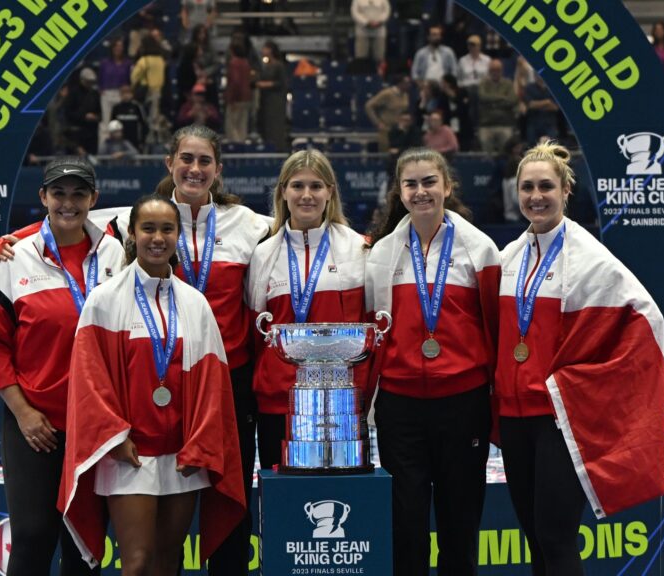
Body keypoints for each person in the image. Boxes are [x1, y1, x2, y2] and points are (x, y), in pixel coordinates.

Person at [0, 125, 271, 576]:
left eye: (204, 161)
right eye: (186, 159)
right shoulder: (122, 223)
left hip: (212, 401)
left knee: (189, 547)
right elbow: (68, 218)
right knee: (110, 552)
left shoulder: (253, 226)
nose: (194, 169)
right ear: (170, 164)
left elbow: (307, 220)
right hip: (132, 421)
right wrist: (15, 242)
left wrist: (363, 243)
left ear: (218, 169)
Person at [495, 142, 664, 575]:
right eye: (528, 187)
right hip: (514, 419)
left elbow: (647, 318)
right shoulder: (509, 257)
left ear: (566, 190)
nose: (537, 196)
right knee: (534, 537)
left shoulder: (589, 259)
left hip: (556, 421)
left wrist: (573, 387)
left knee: (556, 536)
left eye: (547, 186)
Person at [59, 193, 246, 575]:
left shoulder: (195, 304)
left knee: (166, 562)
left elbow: (214, 387)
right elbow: (88, 380)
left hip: (183, 456)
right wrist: (114, 437)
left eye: (166, 229)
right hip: (128, 454)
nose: (157, 237)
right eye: (148, 228)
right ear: (132, 233)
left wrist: (199, 444)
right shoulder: (105, 300)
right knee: (138, 562)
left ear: (178, 235)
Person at [0, 157, 125, 576]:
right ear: (43, 197)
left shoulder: (117, 252)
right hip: (35, 424)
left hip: (95, 425)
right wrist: (23, 414)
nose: (68, 203)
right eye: (58, 193)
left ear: (94, 199)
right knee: (32, 534)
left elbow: (162, 219)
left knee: (84, 544)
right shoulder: (12, 259)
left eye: (79, 194)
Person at [365, 147, 499, 576]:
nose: (420, 192)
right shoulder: (382, 254)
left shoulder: (480, 249)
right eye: (411, 184)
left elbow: (494, 327)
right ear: (399, 191)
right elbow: (375, 328)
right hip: (400, 407)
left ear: (446, 186)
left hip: (463, 403)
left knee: (460, 520)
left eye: (428, 182)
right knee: (406, 523)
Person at [246, 149, 368, 471]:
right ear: (283, 192)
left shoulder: (358, 248)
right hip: (278, 403)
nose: (306, 195)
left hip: (340, 402)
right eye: (297, 186)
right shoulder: (263, 255)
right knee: (284, 503)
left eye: (316, 186)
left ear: (330, 192)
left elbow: (368, 327)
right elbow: (257, 334)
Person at [477, 58, 518, 155]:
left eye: (498, 70)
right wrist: (502, 97)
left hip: (504, 124)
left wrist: (491, 102)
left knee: (507, 151)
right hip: (486, 125)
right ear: (489, 71)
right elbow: (482, 97)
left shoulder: (508, 83)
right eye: (492, 70)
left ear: (502, 70)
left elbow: (512, 100)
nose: (495, 72)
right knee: (486, 152)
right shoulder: (483, 83)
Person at [365, 74, 412, 153]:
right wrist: (378, 123)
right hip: (387, 129)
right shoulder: (387, 94)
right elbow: (369, 106)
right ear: (400, 83)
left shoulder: (405, 95)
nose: (409, 85)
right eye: (407, 83)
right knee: (386, 153)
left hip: (400, 129)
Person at [256, 40, 287, 151]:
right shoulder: (265, 65)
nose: (263, 50)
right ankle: (267, 148)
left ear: (270, 50)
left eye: (265, 48)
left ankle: (278, 149)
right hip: (266, 100)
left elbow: (282, 83)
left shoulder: (278, 65)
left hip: (276, 100)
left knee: (275, 127)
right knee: (266, 126)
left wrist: (266, 84)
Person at [351, 0, 389, 65]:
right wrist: (366, 22)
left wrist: (379, 21)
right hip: (362, 31)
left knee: (379, 57)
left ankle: (378, 74)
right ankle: (361, 74)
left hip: (379, 31)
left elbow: (386, 11)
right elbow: (354, 12)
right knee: (361, 57)